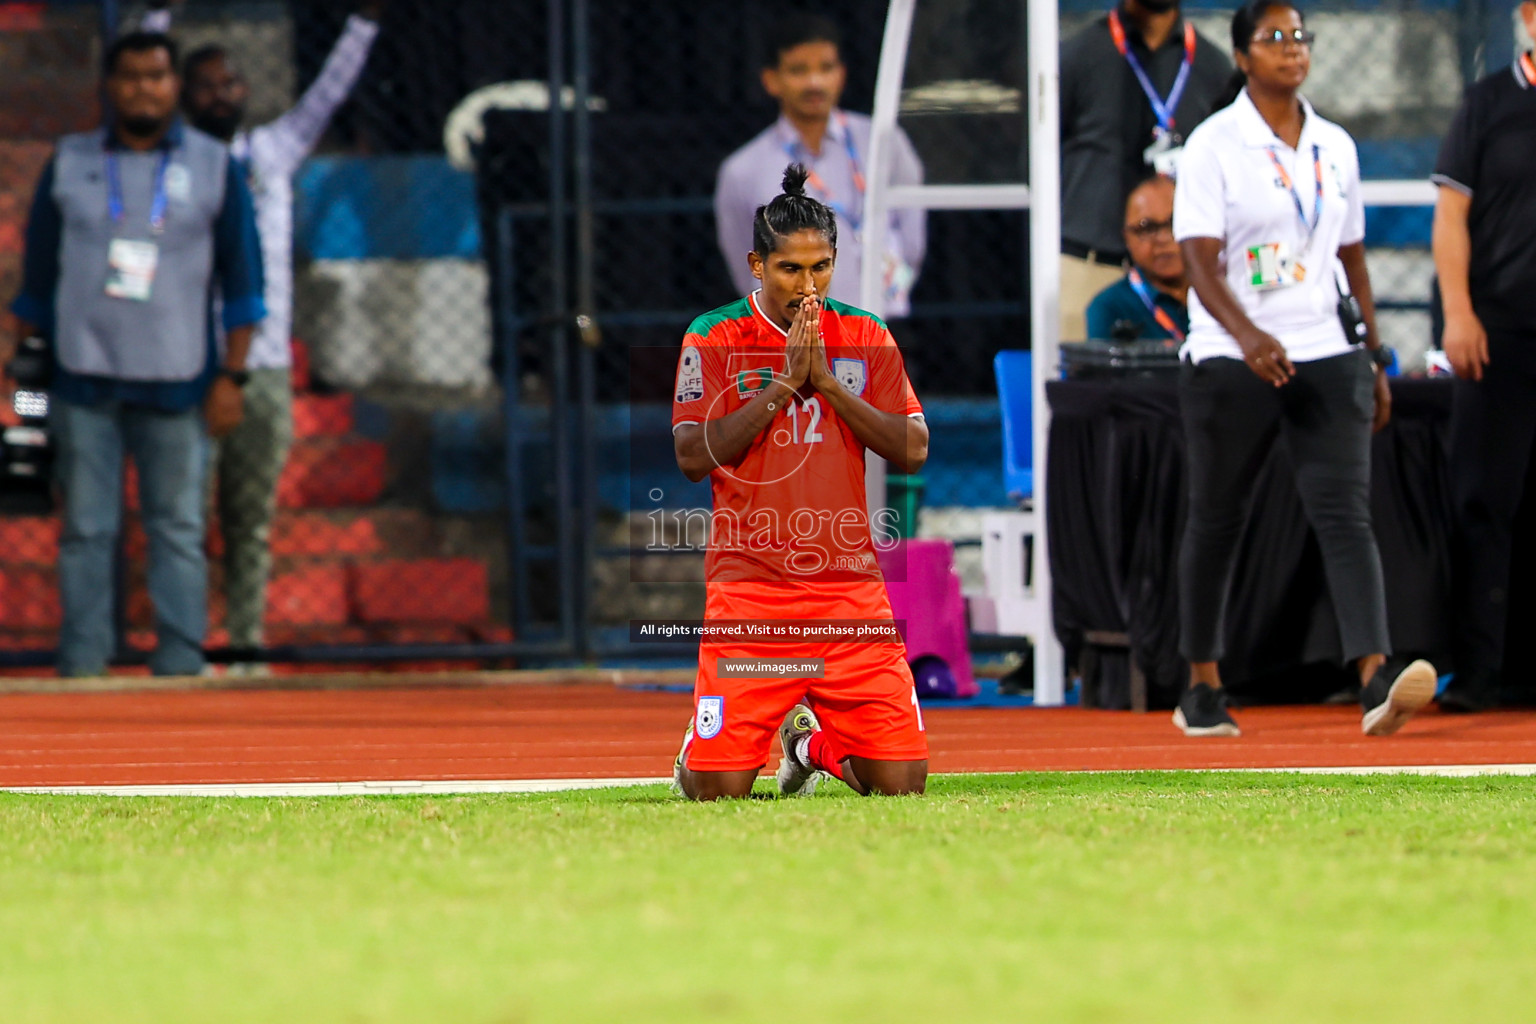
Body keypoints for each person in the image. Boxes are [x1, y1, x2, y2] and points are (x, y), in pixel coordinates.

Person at [1169, 0, 1435, 737]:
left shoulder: (1336, 145)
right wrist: (1249, 335)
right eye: (1274, 38)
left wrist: (1373, 355)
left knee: (1346, 514)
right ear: (1243, 56)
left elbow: (1350, 257)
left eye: (1300, 37)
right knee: (1217, 518)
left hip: (1326, 348)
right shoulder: (1214, 144)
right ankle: (1200, 684)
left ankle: (1375, 675)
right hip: (1233, 355)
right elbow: (1197, 256)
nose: (1292, 49)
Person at [9, 32, 265, 677]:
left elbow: (243, 285)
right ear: (109, 86)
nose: (143, 89)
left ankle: (181, 665)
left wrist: (232, 376)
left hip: (180, 380)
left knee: (177, 529)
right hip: (80, 379)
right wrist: (26, 397)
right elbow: (35, 288)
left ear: (174, 85)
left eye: (156, 76)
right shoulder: (70, 161)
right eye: (129, 77)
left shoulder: (213, 165)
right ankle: (83, 667)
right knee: (86, 531)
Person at [672, 165, 930, 800]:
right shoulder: (712, 335)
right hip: (751, 593)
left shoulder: (866, 334)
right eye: (791, 269)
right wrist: (786, 383)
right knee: (714, 793)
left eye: (821, 268)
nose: (807, 286)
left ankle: (805, 745)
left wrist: (830, 387)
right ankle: (702, 747)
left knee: (902, 785)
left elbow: (913, 449)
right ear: (757, 265)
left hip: (848, 593)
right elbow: (691, 454)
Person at [162, 0, 382, 659]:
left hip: (262, 366)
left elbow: (329, 93)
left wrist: (361, 27)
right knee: (183, 518)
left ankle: (246, 640)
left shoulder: (273, 152)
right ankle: (185, 643)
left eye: (229, 82)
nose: (220, 93)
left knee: (249, 518)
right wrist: (155, 18)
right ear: (183, 94)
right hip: (187, 362)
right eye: (204, 83)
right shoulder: (171, 163)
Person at [1430, 0, 1536, 713]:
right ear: (1527, 17)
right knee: (1484, 500)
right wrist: (1459, 313)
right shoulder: (1487, 103)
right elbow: (1450, 218)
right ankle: (1478, 672)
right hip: (1498, 331)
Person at [714, 14, 925, 317]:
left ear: (841, 74)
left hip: (880, 328)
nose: (814, 82)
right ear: (771, 80)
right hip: (792, 335)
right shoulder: (744, 169)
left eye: (825, 68)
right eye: (799, 70)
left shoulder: (884, 143)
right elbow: (743, 263)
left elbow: (912, 240)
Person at [1059, 0, 1230, 341]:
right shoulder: (1078, 56)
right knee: (1082, 385)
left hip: (1183, 272)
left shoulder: (1212, 66)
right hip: (1092, 264)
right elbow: (1039, 156)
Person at [1084, 175, 1189, 343]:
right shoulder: (1108, 307)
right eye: (1146, 228)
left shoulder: (1221, 291)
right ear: (1126, 237)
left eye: (1173, 223)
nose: (1162, 239)